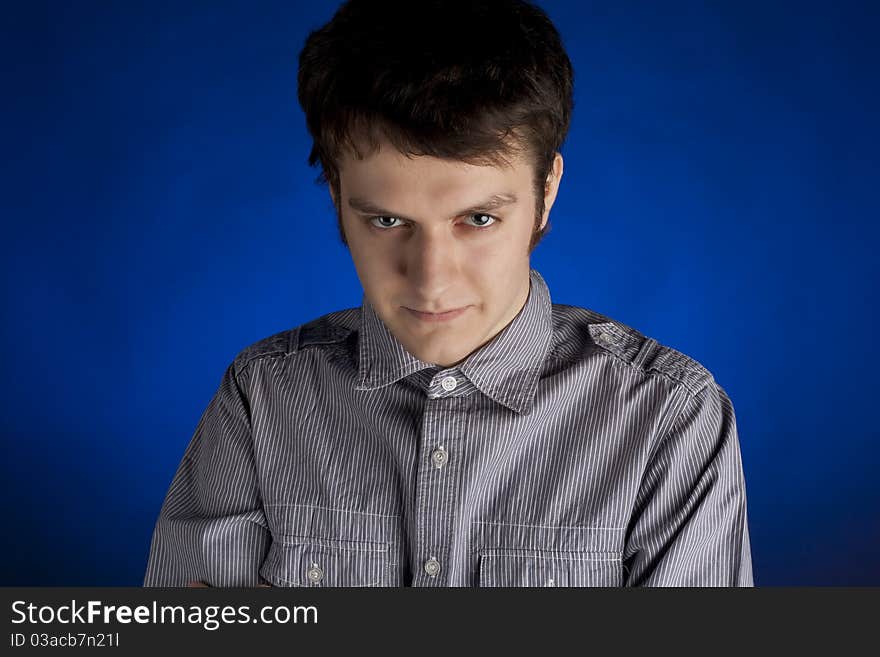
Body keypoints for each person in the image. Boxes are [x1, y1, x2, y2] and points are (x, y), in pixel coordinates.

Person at [144, 0, 753, 587]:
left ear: (547, 191)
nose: (432, 279)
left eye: (478, 220)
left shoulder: (670, 420)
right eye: (387, 221)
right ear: (335, 198)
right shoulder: (260, 399)